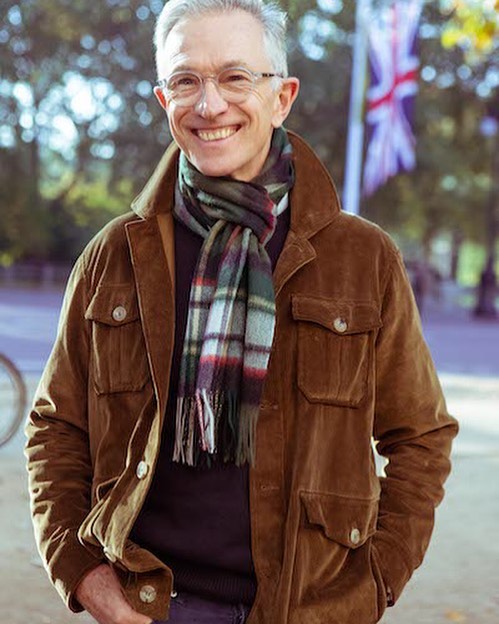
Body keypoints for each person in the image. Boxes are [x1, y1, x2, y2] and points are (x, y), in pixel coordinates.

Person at [25, 0, 458, 623]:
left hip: (305, 610)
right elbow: (56, 427)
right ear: (163, 99)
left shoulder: (362, 258)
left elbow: (420, 437)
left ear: (282, 97)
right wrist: (81, 572)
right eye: (186, 80)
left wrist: (373, 582)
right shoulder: (115, 255)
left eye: (235, 77)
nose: (209, 105)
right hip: (148, 604)